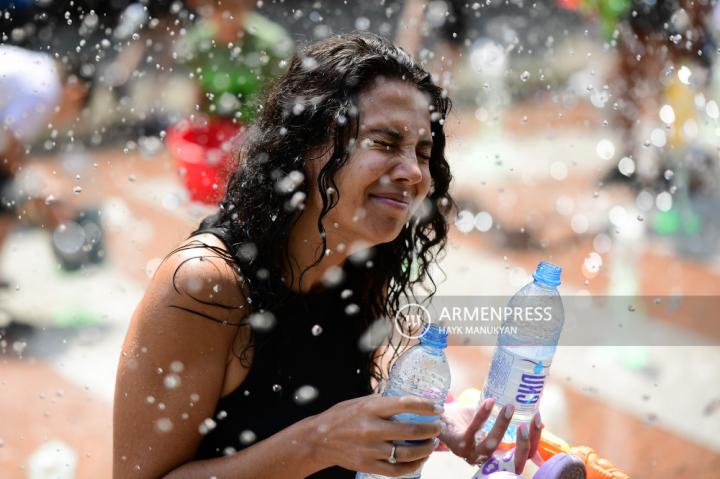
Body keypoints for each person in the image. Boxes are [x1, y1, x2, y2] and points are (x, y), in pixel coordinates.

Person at [114, 32, 543, 478]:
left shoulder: (359, 263)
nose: (413, 172)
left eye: (422, 151)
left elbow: (331, 413)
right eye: (384, 143)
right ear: (305, 147)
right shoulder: (205, 285)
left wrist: (435, 423)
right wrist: (319, 441)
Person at [0, 44, 93, 283]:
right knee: (6, 199)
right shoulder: (44, 91)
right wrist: (41, 186)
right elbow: (8, 153)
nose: (63, 120)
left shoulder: (40, 69)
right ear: (76, 92)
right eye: (74, 113)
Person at [177, 0, 294, 122]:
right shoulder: (196, 46)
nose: (226, 16)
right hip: (214, 125)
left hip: (257, 125)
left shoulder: (270, 46)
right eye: (218, 6)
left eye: (233, 7)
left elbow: (278, 98)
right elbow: (196, 97)